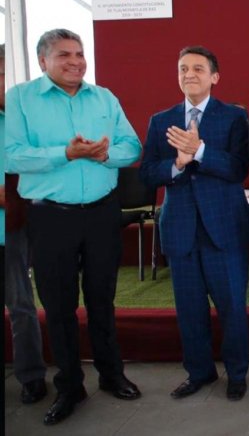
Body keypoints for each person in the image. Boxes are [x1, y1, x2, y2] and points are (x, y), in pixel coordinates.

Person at [5, 29, 142, 425]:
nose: (76, 61)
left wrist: (104, 155)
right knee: (59, 306)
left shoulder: (104, 97)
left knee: (102, 299)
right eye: (64, 54)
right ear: (42, 61)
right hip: (51, 217)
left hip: (101, 213)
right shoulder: (20, 99)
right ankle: (70, 387)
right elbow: (12, 156)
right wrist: (65, 153)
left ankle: (112, 375)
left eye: (79, 53)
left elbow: (132, 147)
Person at [139, 46, 249, 401]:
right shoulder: (161, 120)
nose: (189, 74)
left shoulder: (234, 117)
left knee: (232, 308)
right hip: (180, 228)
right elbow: (147, 173)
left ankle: (237, 374)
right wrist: (177, 163)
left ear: (214, 77)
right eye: (183, 68)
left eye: (198, 69)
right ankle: (199, 372)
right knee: (189, 310)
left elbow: (238, 168)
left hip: (224, 229)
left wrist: (199, 151)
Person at [1, 43, 48, 405]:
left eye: (7, 74)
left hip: (16, 224)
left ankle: (31, 376)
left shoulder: (23, 117)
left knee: (20, 303)